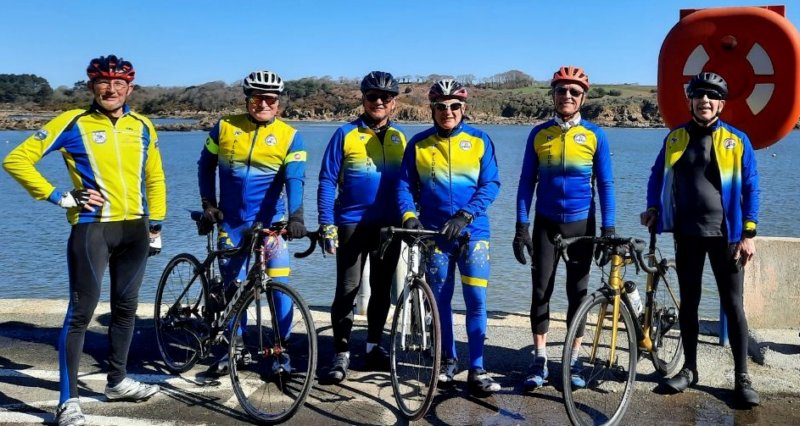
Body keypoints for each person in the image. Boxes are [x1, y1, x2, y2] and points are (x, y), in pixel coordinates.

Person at [3, 54, 166, 426]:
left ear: (130, 89)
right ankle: (68, 401)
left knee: (126, 309)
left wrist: (156, 225)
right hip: (93, 229)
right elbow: (16, 160)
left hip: (135, 230)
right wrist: (58, 196)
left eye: (119, 83)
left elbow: (155, 177)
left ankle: (117, 382)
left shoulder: (143, 126)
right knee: (80, 314)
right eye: (103, 83)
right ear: (92, 86)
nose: (111, 89)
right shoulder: (73, 121)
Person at [641, 71, 760, 407]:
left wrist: (749, 234)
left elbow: (751, 187)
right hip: (687, 234)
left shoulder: (737, 140)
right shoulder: (675, 138)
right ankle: (690, 369)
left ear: (721, 104)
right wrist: (653, 207)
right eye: (698, 95)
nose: (704, 100)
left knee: (733, 305)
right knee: (689, 302)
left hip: (727, 237)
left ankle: (742, 376)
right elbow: (656, 176)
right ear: (690, 101)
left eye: (712, 96)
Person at [197, 69, 307, 376]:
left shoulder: (290, 136)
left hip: (271, 225)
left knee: (279, 287)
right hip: (232, 223)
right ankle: (234, 348)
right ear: (247, 99)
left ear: (278, 102)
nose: (264, 105)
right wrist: (208, 204)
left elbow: (295, 179)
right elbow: (205, 167)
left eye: (270, 99)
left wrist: (297, 216)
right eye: (258, 99)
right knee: (234, 289)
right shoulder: (224, 127)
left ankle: (281, 351)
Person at [513, 65, 616, 391]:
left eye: (574, 91)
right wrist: (521, 225)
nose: (567, 96)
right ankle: (540, 359)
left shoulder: (595, 135)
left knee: (578, 294)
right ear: (553, 95)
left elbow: (606, 184)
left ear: (583, 97)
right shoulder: (539, 134)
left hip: (582, 225)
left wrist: (608, 230)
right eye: (561, 90)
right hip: (546, 224)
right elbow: (526, 182)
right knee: (540, 291)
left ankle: (573, 359)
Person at [396, 78, 502, 395]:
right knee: (441, 301)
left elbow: (491, 184)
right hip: (435, 236)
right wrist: (409, 216)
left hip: (473, 234)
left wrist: (465, 214)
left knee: (476, 301)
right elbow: (404, 186)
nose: (448, 112)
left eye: (455, 106)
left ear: (463, 107)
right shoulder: (419, 144)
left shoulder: (480, 140)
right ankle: (447, 360)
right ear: (432, 109)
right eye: (441, 106)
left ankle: (478, 368)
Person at [318, 71, 407, 382]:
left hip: (389, 226)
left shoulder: (400, 138)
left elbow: (410, 182)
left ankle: (373, 346)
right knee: (348, 289)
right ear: (363, 99)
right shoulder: (345, 134)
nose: (378, 101)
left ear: (394, 103)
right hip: (351, 223)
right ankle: (341, 352)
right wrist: (326, 224)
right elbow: (327, 181)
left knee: (382, 290)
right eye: (372, 96)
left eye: (385, 97)